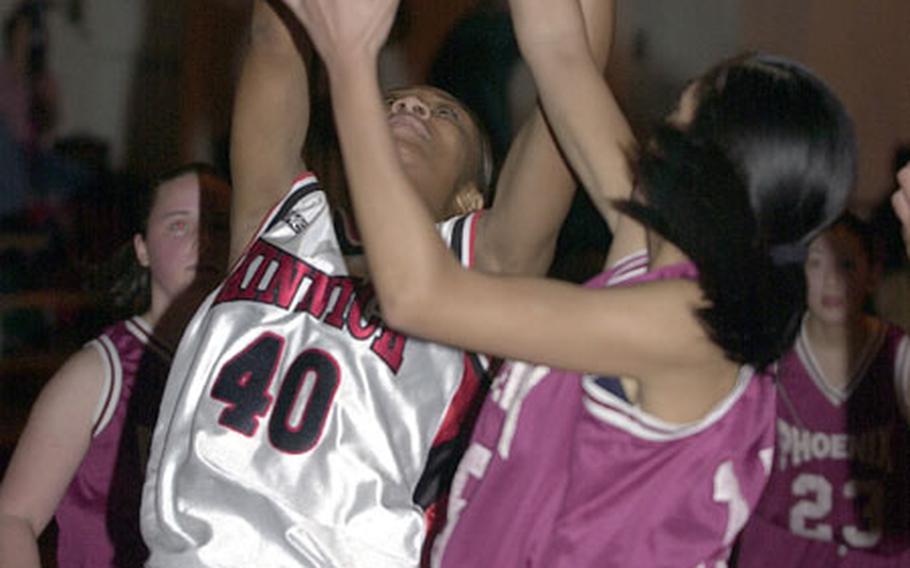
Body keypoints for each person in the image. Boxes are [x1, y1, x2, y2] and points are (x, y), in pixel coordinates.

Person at [293, 0, 856, 565]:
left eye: (682, 111)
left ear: (712, 168)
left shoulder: (687, 324)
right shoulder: (653, 246)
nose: (660, 121)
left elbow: (418, 295)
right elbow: (560, 49)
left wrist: (351, 64)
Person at [139, 0, 620, 566]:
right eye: (393, 101)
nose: (415, 103)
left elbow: (574, 65)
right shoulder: (279, 216)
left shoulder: (482, 265)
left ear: (471, 197)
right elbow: (276, 36)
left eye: (446, 115)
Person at [0, 164, 230, 568]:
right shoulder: (100, 372)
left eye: (217, 225)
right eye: (179, 225)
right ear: (141, 248)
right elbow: (11, 519)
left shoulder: (250, 363)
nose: (202, 241)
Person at [735, 212, 910, 566]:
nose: (832, 280)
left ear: (873, 274)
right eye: (816, 264)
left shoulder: (900, 356)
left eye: (846, 264)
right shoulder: (770, 354)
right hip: (782, 555)